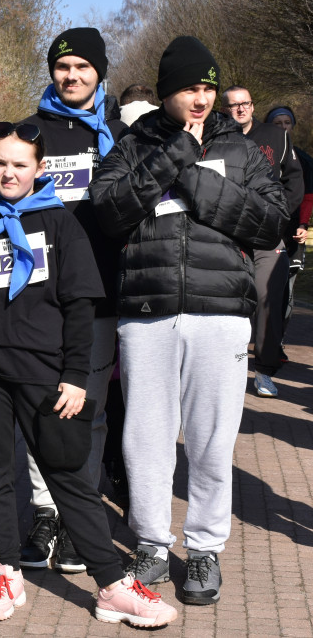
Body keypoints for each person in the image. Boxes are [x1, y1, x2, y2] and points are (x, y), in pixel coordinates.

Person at [0, 121, 177, 628]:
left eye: (20, 164)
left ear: (40, 170)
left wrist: (76, 375)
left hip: (45, 373)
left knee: (68, 473)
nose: (8, 172)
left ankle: (111, 584)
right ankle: (6, 573)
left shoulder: (61, 225)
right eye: (0, 162)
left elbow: (80, 307)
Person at [91, 36, 289, 605]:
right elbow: (108, 212)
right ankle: (152, 544)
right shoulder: (132, 144)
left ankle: (203, 549)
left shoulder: (243, 150)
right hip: (148, 313)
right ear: (165, 92)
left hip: (221, 314)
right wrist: (175, 154)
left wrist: (198, 182)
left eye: (207, 87)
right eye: (188, 88)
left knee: (210, 439)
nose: (201, 99)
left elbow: (270, 223)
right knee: (146, 436)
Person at [16, 26, 126, 575]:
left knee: (92, 410)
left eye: (84, 67)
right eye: (64, 67)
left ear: (100, 72)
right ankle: (44, 512)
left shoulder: (120, 132)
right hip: (41, 294)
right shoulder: (31, 131)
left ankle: (80, 517)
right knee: (42, 406)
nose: (73, 76)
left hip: (101, 290)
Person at [221, 86, 304, 398]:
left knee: (268, 303)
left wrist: (277, 215)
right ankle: (234, 367)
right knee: (232, 306)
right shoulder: (215, 137)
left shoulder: (275, 136)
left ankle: (265, 372)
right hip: (227, 237)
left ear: (253, 106)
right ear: (224, 109)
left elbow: (294, 182)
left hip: (268, 236)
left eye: (245, 104)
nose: (240, 110)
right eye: (234, 105)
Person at [265, 105, 313, 342]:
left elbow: (308, 196)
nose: (283, 127)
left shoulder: (304, 159)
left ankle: (277, 342)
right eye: (277, 123)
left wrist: (303, 224)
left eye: (287, 123)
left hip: (293, 233)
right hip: (263, 231)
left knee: (287, 288)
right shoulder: (258, 152)